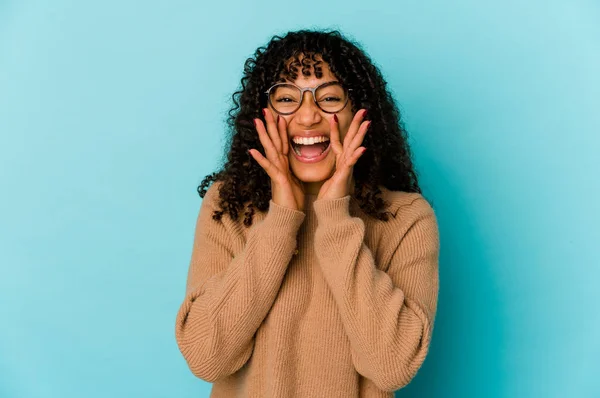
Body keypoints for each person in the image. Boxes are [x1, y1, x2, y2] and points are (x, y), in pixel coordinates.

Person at [174, 29, 440, 397]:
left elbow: (391, 366)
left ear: (359, 111)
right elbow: (207, 357)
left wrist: (334, 217)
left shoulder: (406, 218)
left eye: (329, 97)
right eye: (287, 98)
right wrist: (282, 216)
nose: (309, 116)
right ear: (262, 114)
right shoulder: (230, 205)